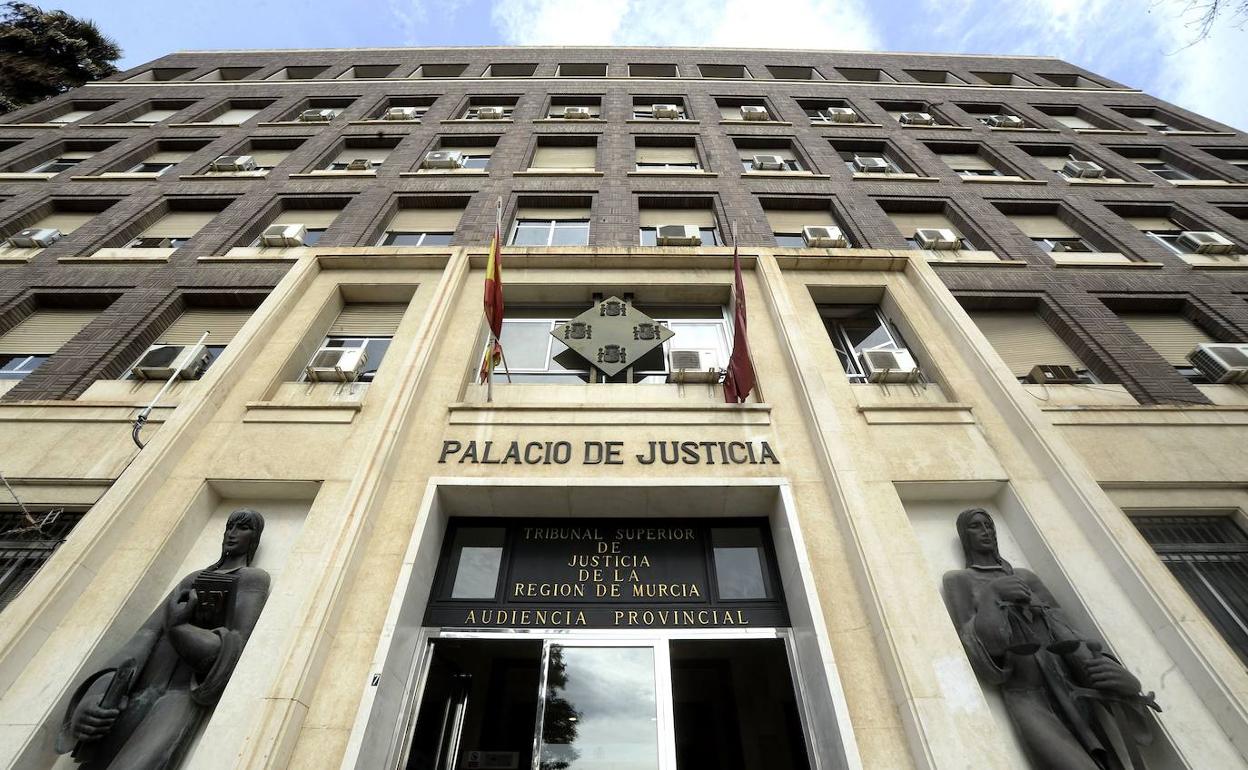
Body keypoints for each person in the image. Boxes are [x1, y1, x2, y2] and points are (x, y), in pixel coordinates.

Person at [942, 508, 1158, 770]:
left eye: (989, 525)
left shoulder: (1025, 578)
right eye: (976, 526)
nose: (986, 531)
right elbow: (980, 648)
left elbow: (1066, 631)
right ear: (965, 535)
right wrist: (992, 595)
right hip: (1027, 697)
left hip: (1070, 688)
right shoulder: (959, 580)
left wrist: (1123, 681)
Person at [56, 508, 270, 770]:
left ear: (255, 538)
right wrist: (96, 695)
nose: (232, 534)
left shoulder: (252, 579)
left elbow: (231, 648)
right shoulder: (191, 579)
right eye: (230, 527)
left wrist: (179, 627)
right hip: (138, 691)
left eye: (243, 528)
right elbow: (143, 638)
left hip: (179, 697)